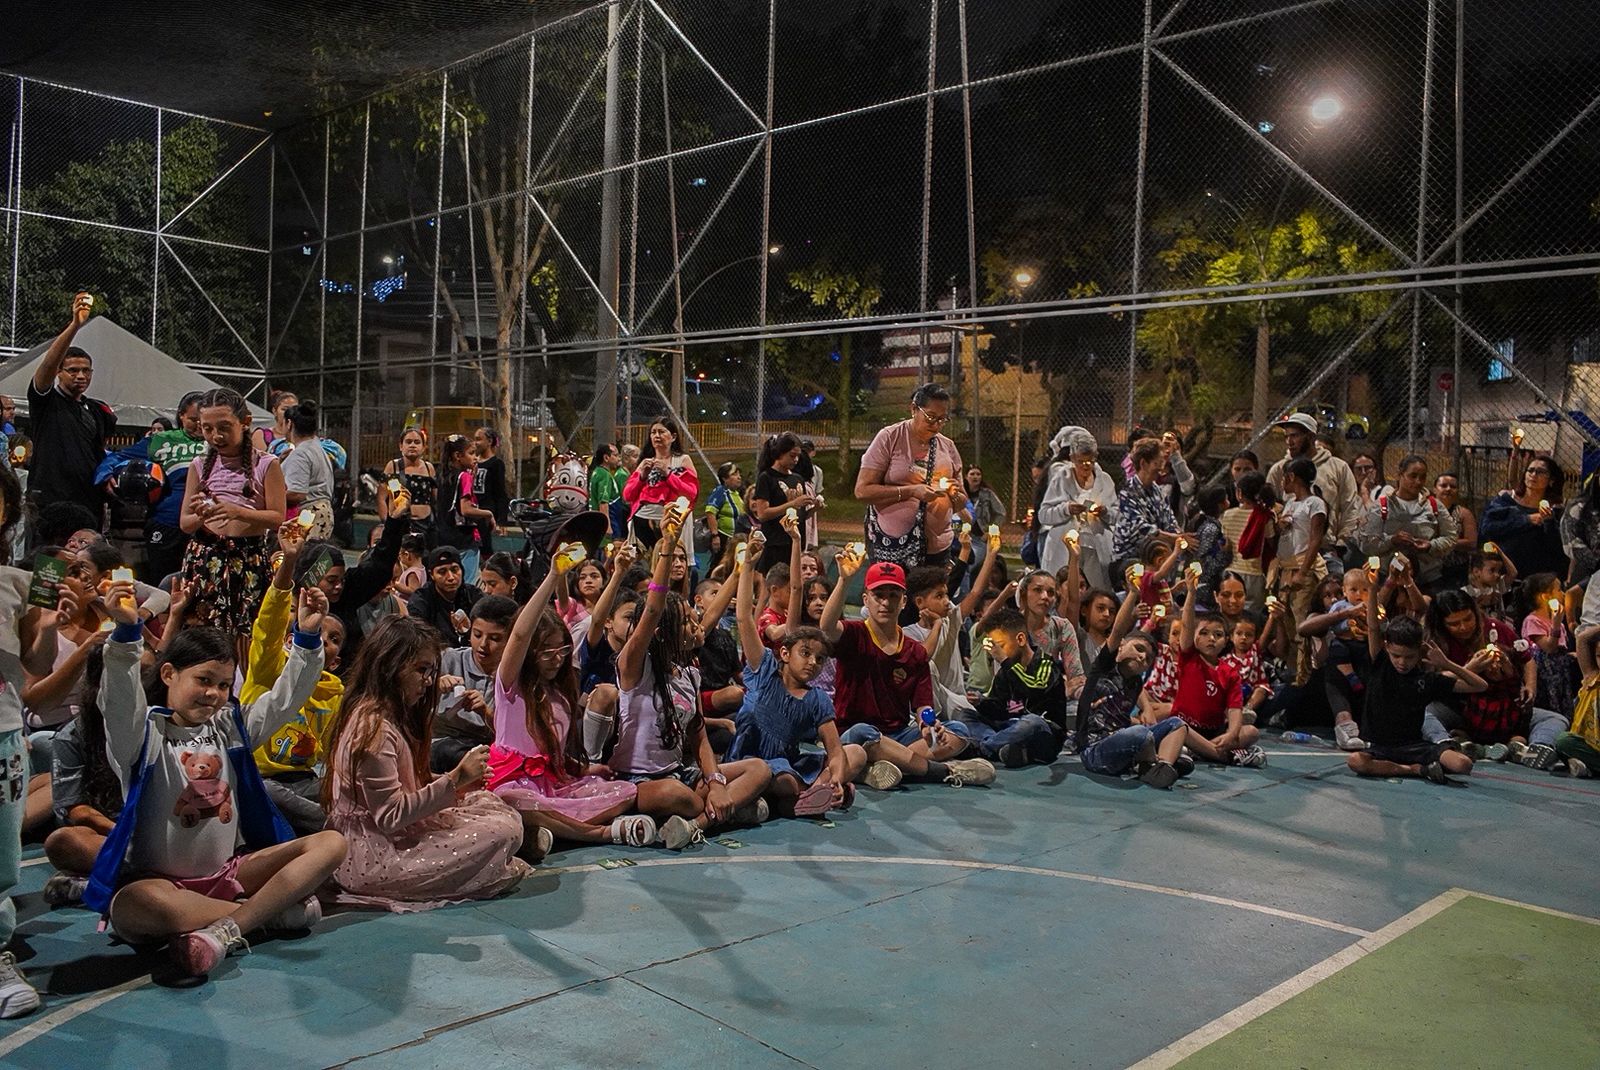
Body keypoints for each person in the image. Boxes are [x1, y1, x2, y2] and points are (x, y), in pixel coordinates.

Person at [89, 578, 345, 977]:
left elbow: (285, 699)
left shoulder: (231, 728)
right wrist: (125, 636)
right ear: (170, 674)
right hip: (163, 886)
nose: (214, 693)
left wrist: (308, 638)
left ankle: (227, 926)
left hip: (229, 874)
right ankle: (263, 916)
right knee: (134, 907)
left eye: (224, 685)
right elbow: (119, 701)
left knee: (331, 842)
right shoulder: (143, 736)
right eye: (204, 680)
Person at [323, 615, 531, 911]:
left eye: (432, 671)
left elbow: (407, 782)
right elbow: (390, 816)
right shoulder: (373, 730)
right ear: (390, 666)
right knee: (499, 832)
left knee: (490, 803)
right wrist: (455, 779)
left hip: (390, 834)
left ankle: (506, 852)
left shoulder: (391, 714)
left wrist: (460, 783)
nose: (429, 681)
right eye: (421, 670)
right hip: (374, 855)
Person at [489, 562, 651, 848]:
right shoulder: (510, 688)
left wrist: (585, 770)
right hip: (514, 787)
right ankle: (599, 833)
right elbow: (519, 635)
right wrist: (553, 576)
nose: (557, 659)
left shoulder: (561, 695)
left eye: (562, 651)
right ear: (530, 653)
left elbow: (554, 758)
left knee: (624, 791)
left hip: (554, 787)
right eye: (546, 652)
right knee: (514, 801)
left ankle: (548, 830)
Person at [818, 552, 994, 790]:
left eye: (893, 596)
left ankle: (877, 768)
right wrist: (844, 580)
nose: (885, 602)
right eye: (878, 595)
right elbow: (827, 626)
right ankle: (944, 771)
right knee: (863, 734)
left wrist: (929, 726)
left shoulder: (915, 652)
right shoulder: (854, 634)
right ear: (865, 599)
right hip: (853, 733)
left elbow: (923, 706)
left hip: (898, 735)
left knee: (958, 731)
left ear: (903, 601)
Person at [726, 538, 864, 817]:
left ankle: (806, 798)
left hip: (784, 765)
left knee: (856, 754)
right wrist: (749, 567)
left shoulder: (816, 699)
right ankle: (800, 800)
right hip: (748, 762)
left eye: (820, 659)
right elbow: (743, 618)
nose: (813, 662)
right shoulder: (763, 670)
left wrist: (835, 777)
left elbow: (835, 751)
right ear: (786, 653)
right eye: (806, 653)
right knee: (782, 780)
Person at [1347, 575, 1487, 784]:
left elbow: (1480, 685)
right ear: (1387, 648)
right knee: (1356, 761)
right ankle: (1415, 771)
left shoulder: (1426, 680)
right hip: (1378, 747)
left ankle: (1420, 765)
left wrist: (1447, 664)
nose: (1402, 662)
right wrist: (1373, 589)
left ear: (1419, 652)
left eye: (1409, 657)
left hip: (1414, 746)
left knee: (1462, 764)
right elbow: (1374, 626)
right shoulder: (1381, 663)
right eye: (1396, 656)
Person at [178, 388, 286, 645]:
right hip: (205, 556)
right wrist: (202, 516)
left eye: (224, 427)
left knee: (245, 636)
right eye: (207, 428)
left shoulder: (266, 464)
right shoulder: (198, 464)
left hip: (247, 559)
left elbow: (278, 517)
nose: (216, 436)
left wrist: (238, 511)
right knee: (202, 634)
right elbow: (185, 523)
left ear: (245, 422)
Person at [1076, 586, 1191, 787]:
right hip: (1095, 750)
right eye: (1138, 649)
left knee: (1177, 724)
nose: (1142, 657)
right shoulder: (1104, 668)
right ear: (1120, 646)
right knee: (1140, 733)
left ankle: (1160, 767)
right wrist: (1133, 593)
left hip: (1124, 745)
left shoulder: (1136, 682)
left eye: (1147, 659)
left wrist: (1146, 709)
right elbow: (1118, 629)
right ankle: (1151, 762)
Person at [26, 292, 117, 525]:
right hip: (51, 501)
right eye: (73, 370)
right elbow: (47, 364)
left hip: (88, 502)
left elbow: (100, 453)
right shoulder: (46, 401)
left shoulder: (96, 410)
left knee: (85, 558)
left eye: (86, 370)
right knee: (49, 559)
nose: (80, 375)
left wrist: (108, 475)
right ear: (59, 372)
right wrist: (75, 325)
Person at [855, 383, 967, 567]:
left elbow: (962, 502)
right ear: (914, 409)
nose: (936, 425)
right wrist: (912, 491)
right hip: (893, 547)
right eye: (931, 417)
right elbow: (862, 491)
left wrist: (954, 493)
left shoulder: (947, 447)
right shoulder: (890, 437)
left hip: (937, 549)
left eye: (942, 419)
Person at [1169, 568, 1264, 766]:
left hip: (1214, 732)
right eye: (1203, 633)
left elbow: (1235, 710)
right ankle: (1225, 756)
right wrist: (1192, 592)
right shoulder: (1189, 657)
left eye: (1218, 635)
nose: (1211, 639)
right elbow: (1186, 624)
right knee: (1177, 729)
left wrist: (1232, 734)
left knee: (1251, 732)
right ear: (1194, 637)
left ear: (1227, 640)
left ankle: (1199, 751)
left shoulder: (1230, 673)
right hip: (1185, 727)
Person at [431, 594, 517, 774]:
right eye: (477, 634)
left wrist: (485, 712)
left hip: (489, 749)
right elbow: (408, 707)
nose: (483, 644)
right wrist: (434, 688)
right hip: (443, 745)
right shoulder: (448, 659)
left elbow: (512, 734)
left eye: (494, 638)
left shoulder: (514, 676)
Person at [1265, 413, 1359, 575]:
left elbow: (1350, 507)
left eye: (1294, 436)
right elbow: (1269, 505)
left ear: (1310, 436)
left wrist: (1342, 541)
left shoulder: (1337, 468)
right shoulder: (1279, 469)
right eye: (1286, 437)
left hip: (1326, 550)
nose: (1289, 442)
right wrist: (1278, 522)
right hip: (1291, 553)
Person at [1357, 455, 1459, 591]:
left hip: (1428, 579)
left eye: (1422, 477)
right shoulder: (1381, 506)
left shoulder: (1434, 506)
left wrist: (1431, 546)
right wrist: (1391, 540)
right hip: (1387, 579)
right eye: (1413, 476)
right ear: (1400, 475)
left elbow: (1451, 537)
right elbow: (1366, 543)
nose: (1418, 482)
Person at [1038, 427, 1119, 589]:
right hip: (1064, 548)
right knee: (1064, 589)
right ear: (1072, 458)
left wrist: (1104, 512)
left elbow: (1117, 515)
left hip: (1095, 548)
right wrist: (1066, 509)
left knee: (1095, 591)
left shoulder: (1105, 480)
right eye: (1081, 461)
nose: (1085, 465)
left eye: (1090, 461)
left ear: (1096, 457)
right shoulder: (1061, 478)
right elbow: (1044, 515)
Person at [1479, 455, 1567, 579]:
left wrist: (1548, 522)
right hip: (1501, 573)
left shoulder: (1555, 510)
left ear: (1551, 480)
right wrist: (1527, 520)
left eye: (1540, 471)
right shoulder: (1506, 501)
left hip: (1534, 577)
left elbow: (1557, 549)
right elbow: (1487, 529)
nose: (1533, 474)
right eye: (1530, 470)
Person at [622, 416, 699, 550]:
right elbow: (628, 495)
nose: (657, 436)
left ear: (673, 437)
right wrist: (642, 476)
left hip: (670, 522)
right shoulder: (645, 462)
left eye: (661, 432)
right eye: (653, 432)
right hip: (642, 519)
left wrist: (668, 474)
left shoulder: (682, 460)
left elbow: (692, 493)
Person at [749, 433, 818, 572]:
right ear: (780, 454)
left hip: (795, 542)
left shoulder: (798, 478)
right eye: (792, 456)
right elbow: (762, 514)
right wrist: (792, 504)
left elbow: (800, 515)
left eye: (798, 456)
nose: (796, 460)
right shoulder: (766, 477)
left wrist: (814, 509)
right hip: (775, 543)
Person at [1112, 438, 1180, 569]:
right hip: (1130, 559)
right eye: (1156, 463)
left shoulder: (1158, 492)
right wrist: (1176, 538)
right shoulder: (1127, 492)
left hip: (1155, 557)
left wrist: (1179, 535)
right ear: (1143, 463)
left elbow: (1170, 520)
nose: (1161, 467)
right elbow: (1143, 529)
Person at [280, 399, 336, 541]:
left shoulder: (300, 453)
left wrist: (269, 497)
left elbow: (297, 493)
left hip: (308, 515)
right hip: (321, 513)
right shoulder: (316, 446)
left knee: (303, 559)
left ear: (289, 424)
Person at [407, 546, 483, 647]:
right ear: (432, 575)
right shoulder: (421, 600)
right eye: (442, 572)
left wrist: (467, 632)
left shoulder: (473, 594)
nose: (451, 577)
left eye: (455, 570)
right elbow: (419, 639)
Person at [380, 428, 438, 545]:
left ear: (423, 447)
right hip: (401, 524)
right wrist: (387, 524)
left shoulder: (429, 468)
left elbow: (435, 499)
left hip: (426, 526)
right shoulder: (393, 467)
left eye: (417, 442)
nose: (412, 445)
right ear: (401, 446)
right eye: (408, 442)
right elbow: (382, 498)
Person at [1434, 471, 1478, 588]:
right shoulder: (1424, 510)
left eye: (1453, 487)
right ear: (1435, 489)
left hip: (1455, 572)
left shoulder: (1464, 514)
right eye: (1443, 486)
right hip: (1428, 569)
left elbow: (1472, 542)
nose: (1448, 489)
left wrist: (1443, 542)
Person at [471, 426, 510, 542]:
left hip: (486, 513)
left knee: (485, 546)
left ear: (489, 441)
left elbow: (500, 493)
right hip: (472, 511)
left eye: (479, 439)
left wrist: (502, 520)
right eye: (474, 439)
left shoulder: (496, 464)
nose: (475, 443)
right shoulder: (472, 462)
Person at [704, 461, 749, 540]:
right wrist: (715, 536)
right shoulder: (720, 491)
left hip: (738, 538)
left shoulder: (737, 493)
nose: (739, 477)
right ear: (724, 478)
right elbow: (710, 512)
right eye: (734, 474)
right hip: (724, 538)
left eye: (739, 474)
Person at [251, 390, 298, 455]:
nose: (289, 412)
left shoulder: (303, 436)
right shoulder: (262, 434)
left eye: (294, 409)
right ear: (275, 411)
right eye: (284, 409)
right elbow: (260, 463)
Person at [589, 443, 623, 514]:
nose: (619, 459)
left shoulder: (597, 471)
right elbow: (603, 503)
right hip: (608, 519)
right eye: (615, 455)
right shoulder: (604, 475)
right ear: (606, 458)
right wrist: (607, 524)